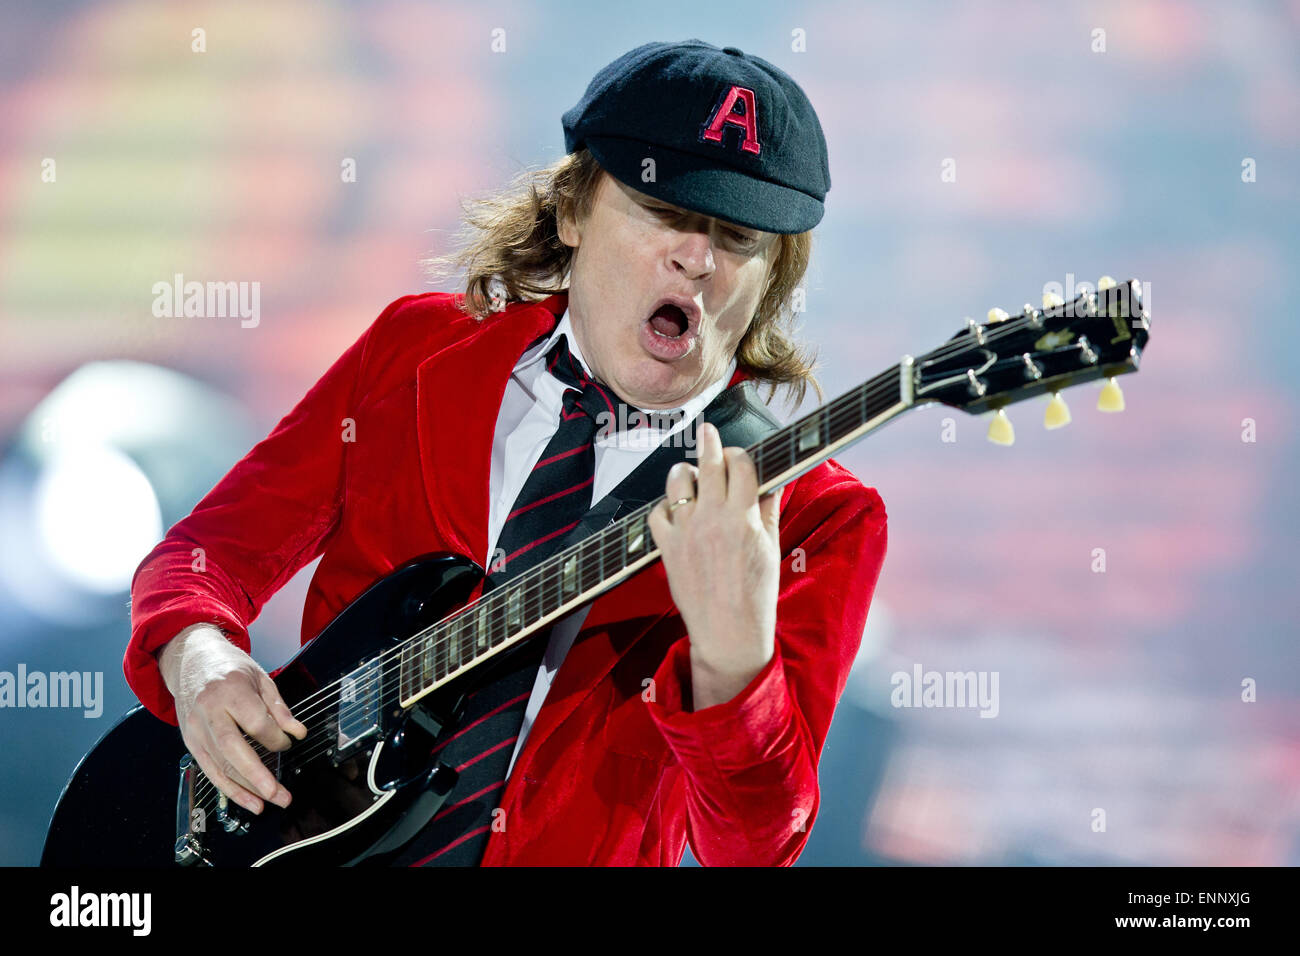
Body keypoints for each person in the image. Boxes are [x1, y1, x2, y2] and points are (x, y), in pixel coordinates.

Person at [125, 38, 888, 866]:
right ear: (571, 212)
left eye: (738, 235)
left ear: (773, 273)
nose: (697, 257)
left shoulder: (813, 512)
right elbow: (208, 552)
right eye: (666, 211)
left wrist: (734, 662)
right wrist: (197, 652)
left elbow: (754, 843)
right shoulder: (415, 353)